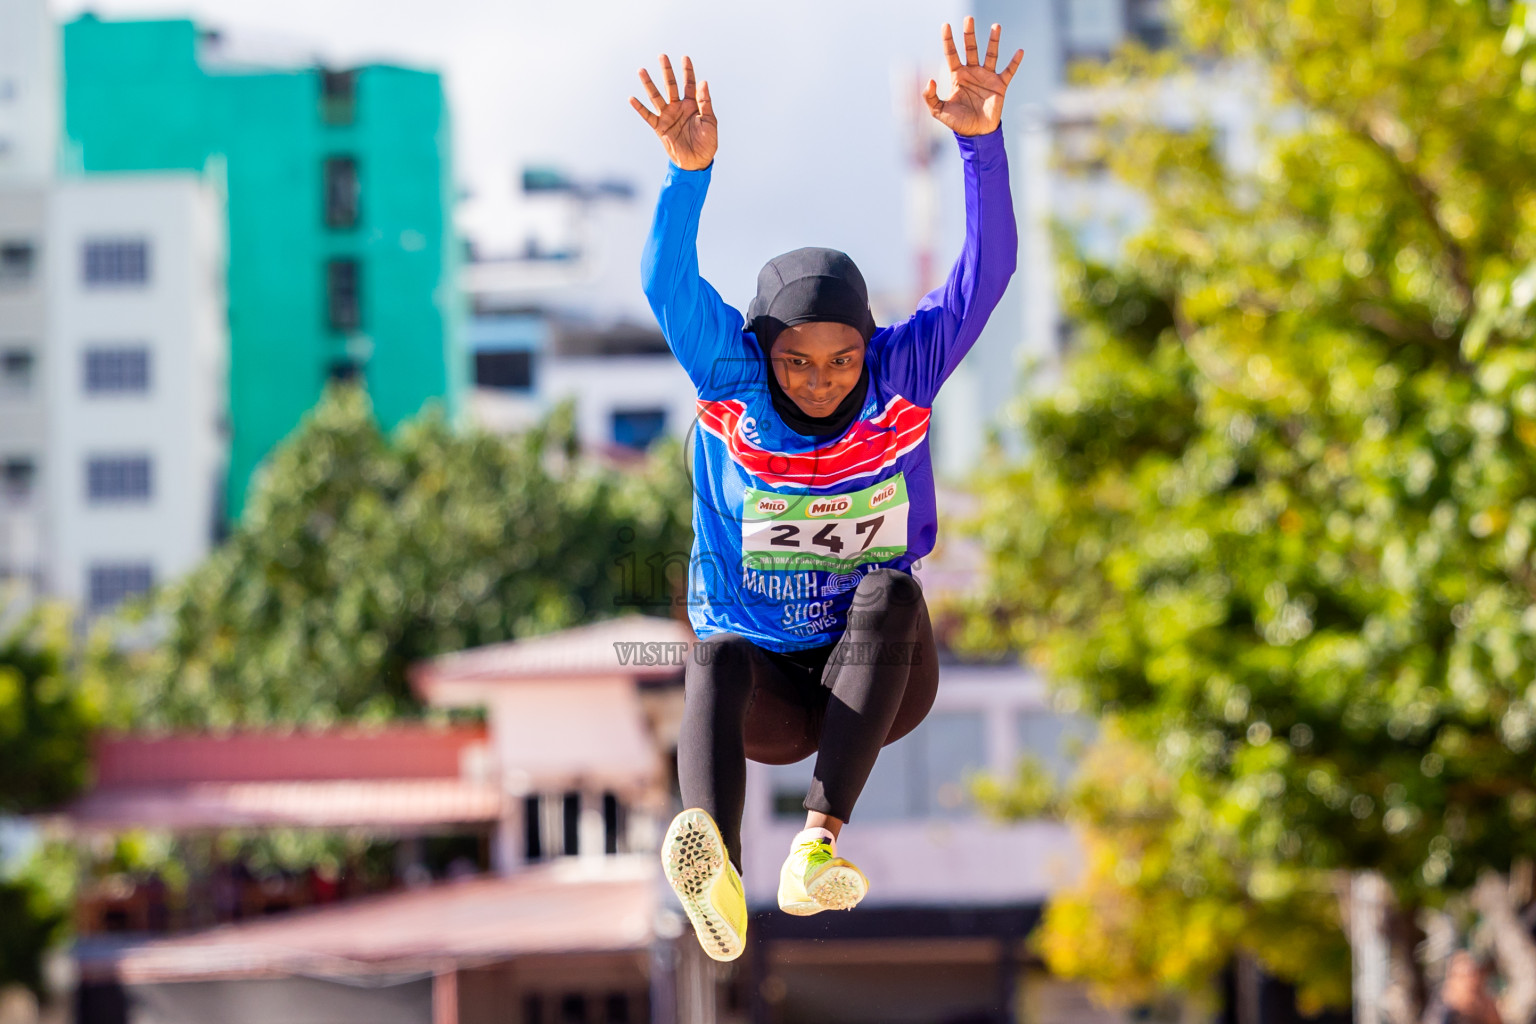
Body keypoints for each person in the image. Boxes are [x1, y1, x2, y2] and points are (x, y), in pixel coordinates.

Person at [630, 16, 1021, 963]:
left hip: (877, 675)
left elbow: (987, 271)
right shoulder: (730, 379)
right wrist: (688, 180)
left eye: (842, 358)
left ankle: (817, 846)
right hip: (763, 692)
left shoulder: (904, 374)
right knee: (710, 656)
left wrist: (979, 144)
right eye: (798, 362)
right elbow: (665, 282)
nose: (821, 380)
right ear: (762, 351)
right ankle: (713, 870)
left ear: (869, 346)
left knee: (892, 591)